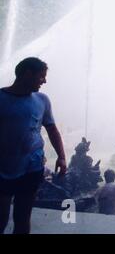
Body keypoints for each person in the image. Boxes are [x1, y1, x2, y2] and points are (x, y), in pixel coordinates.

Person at [0, 57, 67, 234]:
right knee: (1, 216)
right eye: (41, 77)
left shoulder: (42, 100)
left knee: (23, 217)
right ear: (27, 74)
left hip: (32, 168)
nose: (44, 81)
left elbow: (52, 130)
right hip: (3, 169)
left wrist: (61, 156)